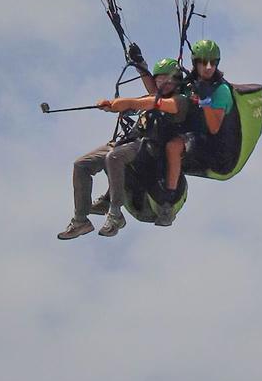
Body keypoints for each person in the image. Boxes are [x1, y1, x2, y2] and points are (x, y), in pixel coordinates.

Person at [57, 56, 191, 239]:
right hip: (129, 141)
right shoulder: (155, 95)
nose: (163, 84)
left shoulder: (180, 101)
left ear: (177, 82)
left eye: (169, 80)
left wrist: (128, 103)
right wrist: (111, 104)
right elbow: (148, 95)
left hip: (151, 147)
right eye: (159, 80)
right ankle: (81, 220)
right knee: (81, 165)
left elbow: (152, 102)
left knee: (114, 157)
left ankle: (115, 213)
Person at [163, 37, 236, 203]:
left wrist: (205, 100)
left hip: (215, 149)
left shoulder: (220, 90)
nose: (209, 67)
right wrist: (142, 68)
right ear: (195, 63)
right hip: (194, 136)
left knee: (173, 146)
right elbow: (159, 97)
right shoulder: (190, 83)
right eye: (204, 62)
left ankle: (169, 199)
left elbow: (214, 128)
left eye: (213, 62)